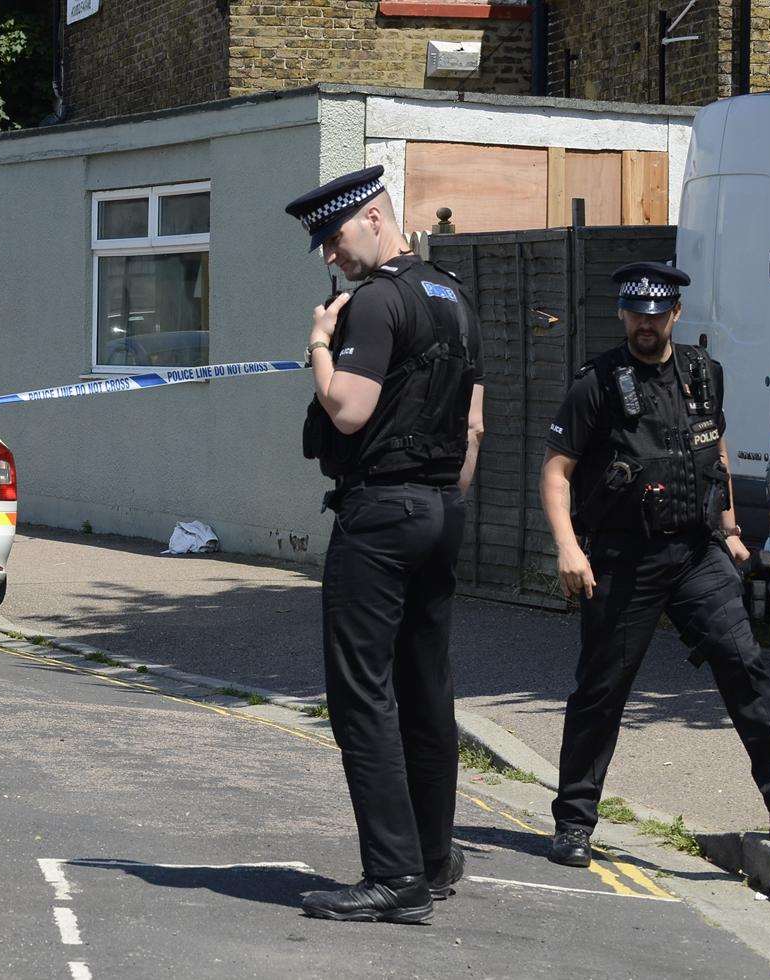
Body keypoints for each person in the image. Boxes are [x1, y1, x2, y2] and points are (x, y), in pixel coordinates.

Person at [540, 261, 770, 867]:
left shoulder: (702, 372)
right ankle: (573, 824)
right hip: (621, 560)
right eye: (637, 312)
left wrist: (731, 530)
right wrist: (568, 546)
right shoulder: (597, 384)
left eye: (657, 312)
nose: (647, 322)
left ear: (675, 314)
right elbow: (557, 470)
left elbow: (712, 445)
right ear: (623, 315)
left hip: (696, 553)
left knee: (744, 664)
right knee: (601, 691)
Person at [283, 166, 486, 923]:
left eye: (335, 238)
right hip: (440, 508)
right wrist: (443, 499)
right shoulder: (451, 295)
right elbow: (472, 426)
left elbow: (346, 410)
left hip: (380, 514)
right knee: (425, 689)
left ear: (373, 217)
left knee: (360, 694)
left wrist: (316, 346)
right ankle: (433, 859)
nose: (331, 257)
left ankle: (393, 876)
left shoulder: (373, 302)